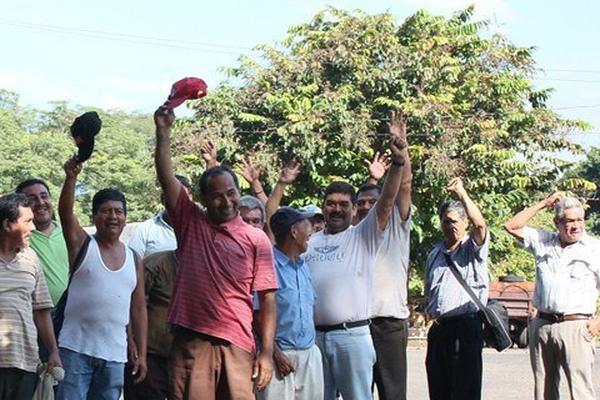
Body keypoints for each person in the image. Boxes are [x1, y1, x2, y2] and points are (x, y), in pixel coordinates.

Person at [154, 105, 278, 400]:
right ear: (203, 200)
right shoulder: (191, 223)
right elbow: (166, 176)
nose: (226, 201)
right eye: (217, 196)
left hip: (238, 344)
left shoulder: (256, 239)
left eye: (231, 192)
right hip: (192, 340)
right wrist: (163, 131)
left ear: (239, 191)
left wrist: (267, 353)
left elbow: (268, 300)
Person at [304, 110, 406, 400]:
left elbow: (385, 203)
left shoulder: (362, 236)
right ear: (323, 207)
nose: (336, 209)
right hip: (315, 339)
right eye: (331, 204)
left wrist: (397, 162)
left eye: (343, 205)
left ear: (353, 209)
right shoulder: (308, 241)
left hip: (353, 337)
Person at [57, 157, 147, 399]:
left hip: (115, 357)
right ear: (95, 216)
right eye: (106, 211)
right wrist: (71, 177)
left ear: (125, 217)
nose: (113, 217)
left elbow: (138, 309)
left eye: (118, 211)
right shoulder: (83, 245)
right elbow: (65, 214)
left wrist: (143, 354)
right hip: (74, 351)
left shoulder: (134, 258)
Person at [504, 193, 600, 400]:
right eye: (569, 221)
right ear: (557, 222)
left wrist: (597, 323)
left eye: (579, 220)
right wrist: (544, 203)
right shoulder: (544, 241)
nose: (575, 226)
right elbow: (511, 226)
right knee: (544, 389)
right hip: (543, 325)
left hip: (577, 327)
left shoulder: (594, 249)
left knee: (581, 391)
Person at [356, 122, 412, 400]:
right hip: (357, 325)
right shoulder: (353, 235)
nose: (367, 206)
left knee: (392, 394)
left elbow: (403, 188)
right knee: (360, 392)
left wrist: (402, 152)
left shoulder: (398, 226)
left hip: (389, 322)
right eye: (361, 203)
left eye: (372, 202)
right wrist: (373, 181)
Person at [424, 177, 489, 400]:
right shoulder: (435, 253)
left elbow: (481, 225)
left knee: (465, 392)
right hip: (440, 330)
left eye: (454, 221)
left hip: (466, 327)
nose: (449, 225)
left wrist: (461, 192)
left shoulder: (472, 248)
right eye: (445, 221)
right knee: (439, 389)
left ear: (464, 223)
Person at [256, 207, 323, 400]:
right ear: (294, 232)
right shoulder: (268, 265)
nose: (311, 231)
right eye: (307, 225)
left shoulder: (303, 267)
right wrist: (273, 354)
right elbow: (257, 315)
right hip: (279, 356)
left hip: (309, 354)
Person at [0, 193, 62, 399]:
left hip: (25, 361)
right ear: (8, 224)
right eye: (27, 221)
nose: (33, 228)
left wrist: (53, 351)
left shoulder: (31, 258)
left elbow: (42, 311)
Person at [16, 178, 68, 306]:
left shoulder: (69, 234)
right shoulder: (18, 238)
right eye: (32, 199)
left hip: (73, 316)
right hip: (37, 317)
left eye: (44, 196)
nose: (40, 202)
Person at [128, 174, 191, 257]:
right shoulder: (145, 230)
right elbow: (132, 264)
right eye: (173, 197)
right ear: (163, 200)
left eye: (183, 198)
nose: (179, 203)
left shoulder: (200, 229)